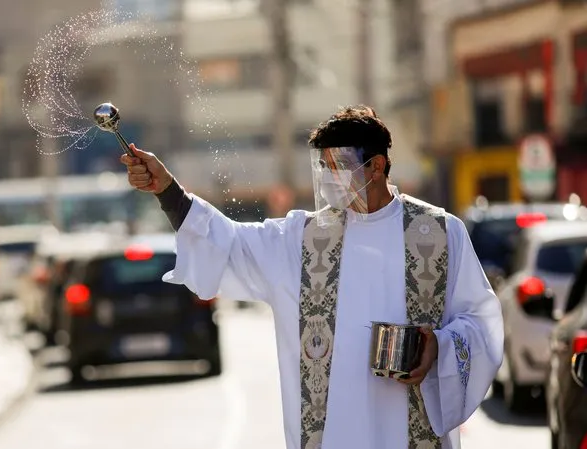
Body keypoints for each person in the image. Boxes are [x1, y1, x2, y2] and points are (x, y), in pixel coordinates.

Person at [120, 105, 504, 449]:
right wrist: (168, 191)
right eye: (325, 166)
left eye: (341, 165)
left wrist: (437, 347)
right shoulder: (300, 240)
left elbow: (481, 325)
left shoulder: (439, 233)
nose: (332, 177)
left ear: (377, 166)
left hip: (411, 430)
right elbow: (229, 243)